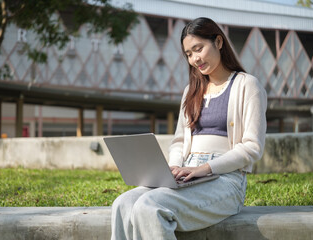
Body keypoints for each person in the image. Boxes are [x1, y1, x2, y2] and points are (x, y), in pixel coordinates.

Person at [111, 17, 267, 240]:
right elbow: (179, 142)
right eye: (188, 54)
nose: (194, 59)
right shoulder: (191, 91)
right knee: (122, 203)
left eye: (198, 49)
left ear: (219, 42)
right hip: (186, 173)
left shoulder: (247, 85)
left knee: (149, 205)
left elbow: (252, 148)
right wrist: (173, 169)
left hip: (225, 180)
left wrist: (204, 168)